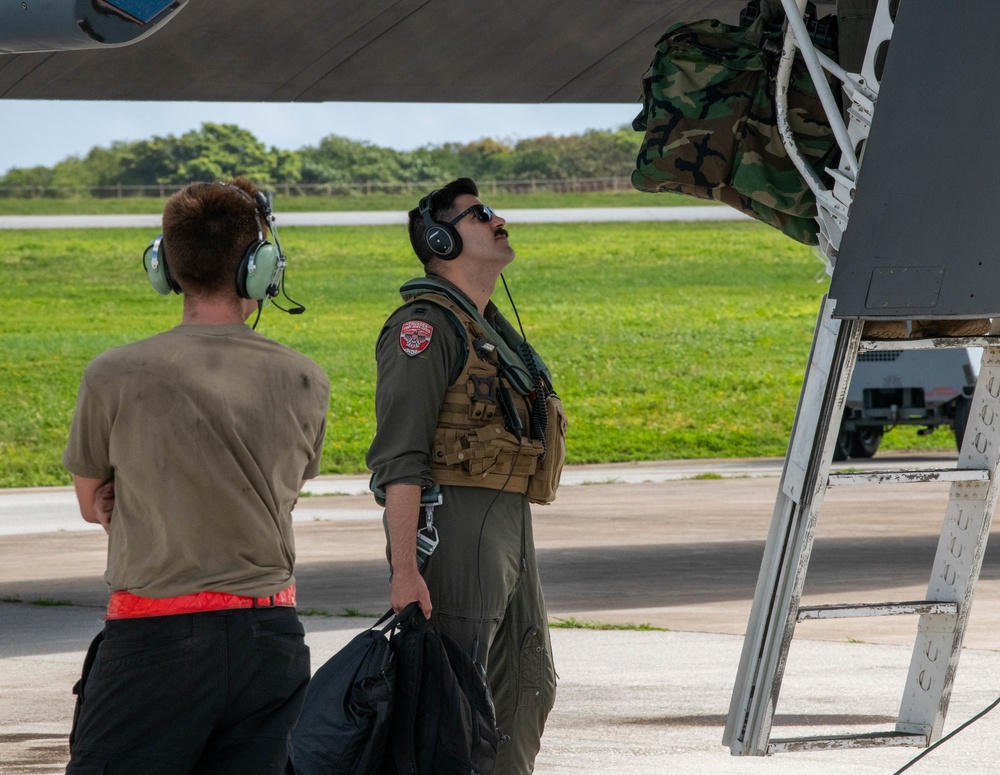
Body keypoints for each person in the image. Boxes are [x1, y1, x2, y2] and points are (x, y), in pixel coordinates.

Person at [62, 178, 330, 774]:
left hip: (153, 635)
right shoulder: (306, 378)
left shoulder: (113, 373)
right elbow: (282, 495)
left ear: (164, 265)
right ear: (260, 270)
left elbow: (90, 502)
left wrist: (132, 496)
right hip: (271, 636)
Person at [366, 177, 567, 774]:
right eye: (479, 215)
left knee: (529, 687)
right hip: (456, 525)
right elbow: (399, 459)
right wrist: (405, 571)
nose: (497, 219)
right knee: (452, 701)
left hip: (508, 522)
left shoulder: (491, 331)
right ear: (439, 241)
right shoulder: (424, 330)